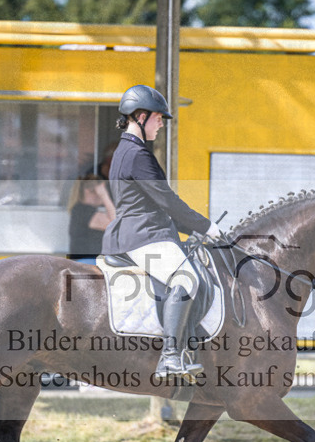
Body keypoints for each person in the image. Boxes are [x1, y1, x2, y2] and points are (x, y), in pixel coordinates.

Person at [101, 84, 223, 382]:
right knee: (186, 278)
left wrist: (193, 229)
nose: (161, 124)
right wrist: (205, 226)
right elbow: (167, 200)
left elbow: (159, 205)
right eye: (158, 118)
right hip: (142, 235)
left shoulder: (127, 150)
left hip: (144, 230)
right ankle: (170, 357)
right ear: (140, 116)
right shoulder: (136, 154)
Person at [68, 173, 115, 264]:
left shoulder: (82, 210)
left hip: (86, 262)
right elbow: (115, 224)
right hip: (87, 263)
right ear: (89, 191)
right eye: (104, 190)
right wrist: (104, 196)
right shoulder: (82, 211)